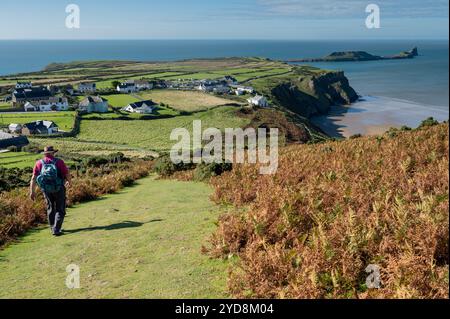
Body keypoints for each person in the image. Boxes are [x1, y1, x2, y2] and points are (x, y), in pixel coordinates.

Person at [29, 146, 71, 236]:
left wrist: (32, 192)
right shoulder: (59, 162)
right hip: (59, 188)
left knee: (50, 208)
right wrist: (69, 182)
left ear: (44, 154)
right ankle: (56, 229)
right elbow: (67, 174)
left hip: (46, 189)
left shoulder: (39, 163)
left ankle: (53, 228)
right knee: (60, 209)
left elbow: (33, 178)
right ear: (53, 153)